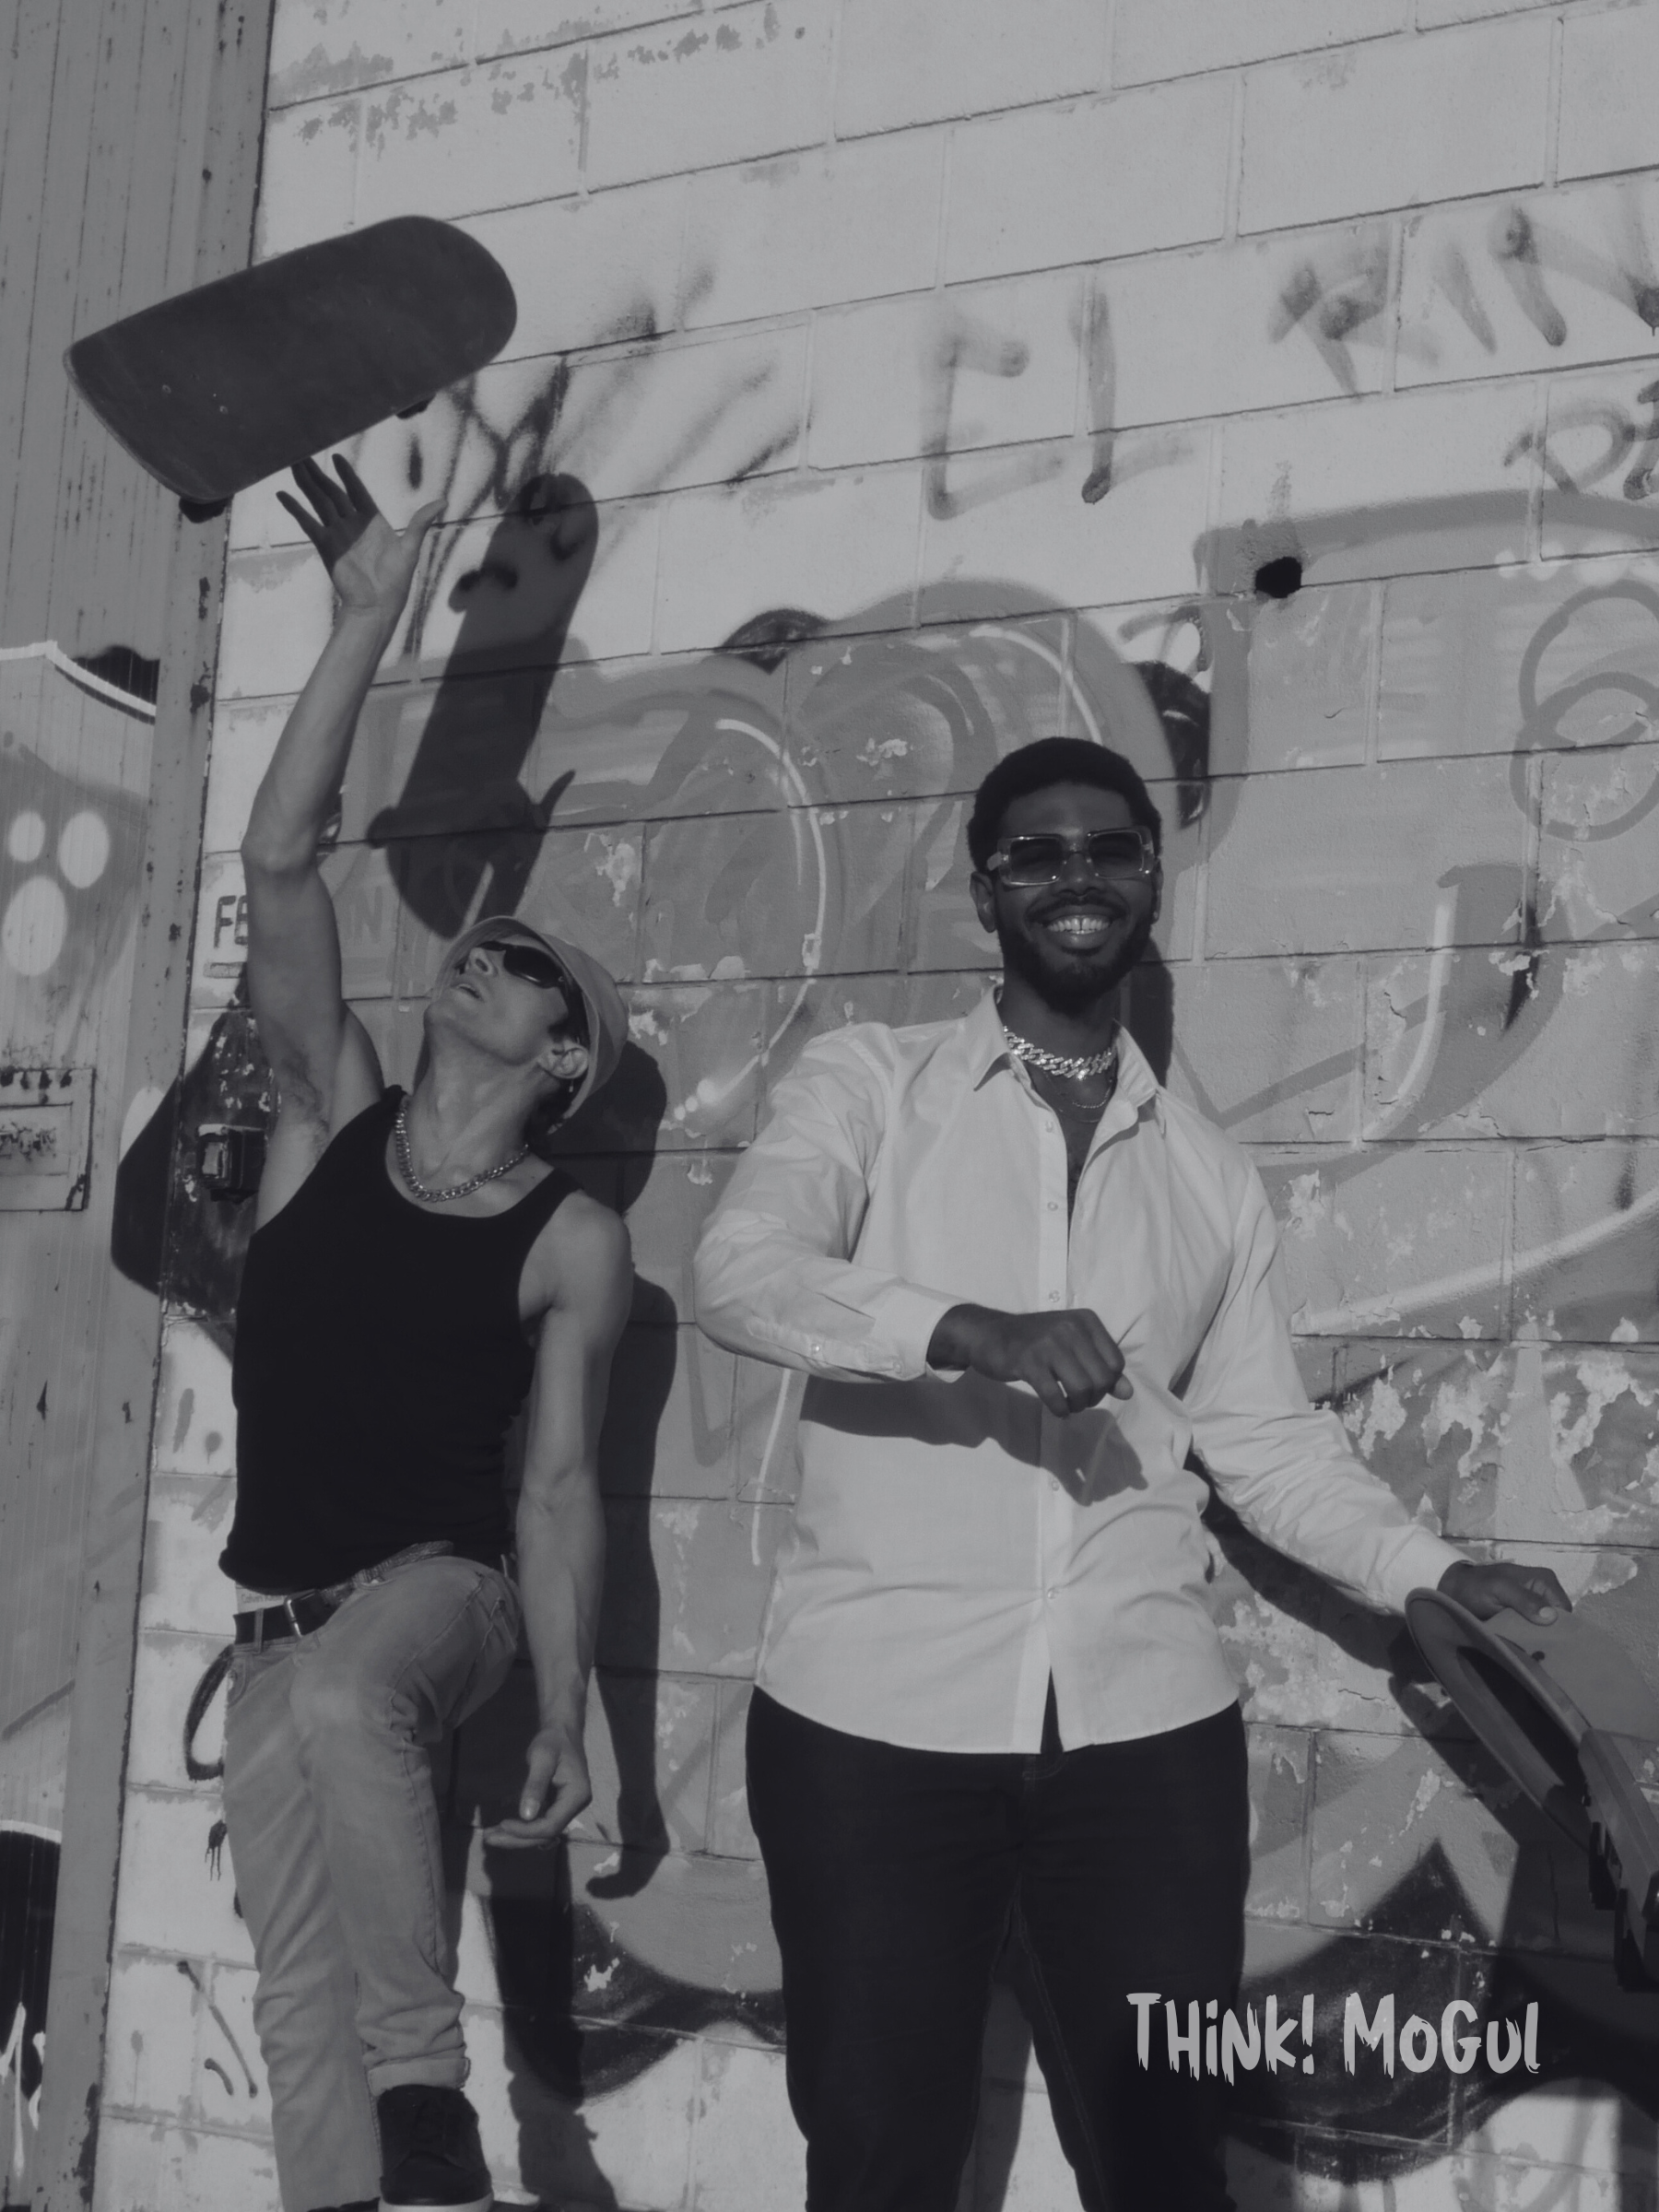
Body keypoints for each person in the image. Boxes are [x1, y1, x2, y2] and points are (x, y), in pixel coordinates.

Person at [692, 734, 1570, 2212]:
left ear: (1153, 883)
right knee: (881, 2160)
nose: (1076, 876)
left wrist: (1433, 1574)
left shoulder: (1206, 1177)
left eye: (1110, 848)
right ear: (986, 891)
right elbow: (739, 1268)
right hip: (874, 1729)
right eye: (1035, 853)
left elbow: (1266, 1444)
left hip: (1145, 1744)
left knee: (1166, 2166)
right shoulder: (872, 1085)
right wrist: (963, 1329)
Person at [219, 456, 633, 2212]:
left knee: (352, 1691)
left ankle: (430, 2095)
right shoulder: (333, 1114)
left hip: (442, 1597)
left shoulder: (572, 1238)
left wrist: (566, 1705)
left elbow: (558, 1492)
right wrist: (365, 626)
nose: (485, 954)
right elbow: (277, 858)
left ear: (566, 1054)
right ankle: (383, 2164)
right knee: (292, 2003)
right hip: (278, 1630)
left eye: (526, 964)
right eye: (482, 943)